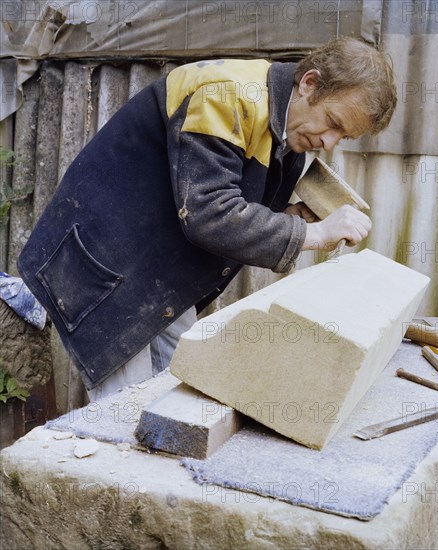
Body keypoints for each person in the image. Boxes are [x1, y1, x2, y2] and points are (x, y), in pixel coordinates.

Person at [17, 37, 397, 399]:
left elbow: (235, 209)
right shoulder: (226, 95)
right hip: (103, 260)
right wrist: (309, 234)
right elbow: (209, 212)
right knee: (125, 410)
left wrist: (289, 216)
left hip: (154, 269)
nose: (329, 143)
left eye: (342, 137)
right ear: (309, 84)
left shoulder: (287, 127)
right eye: (332, 122)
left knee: (177, 386)